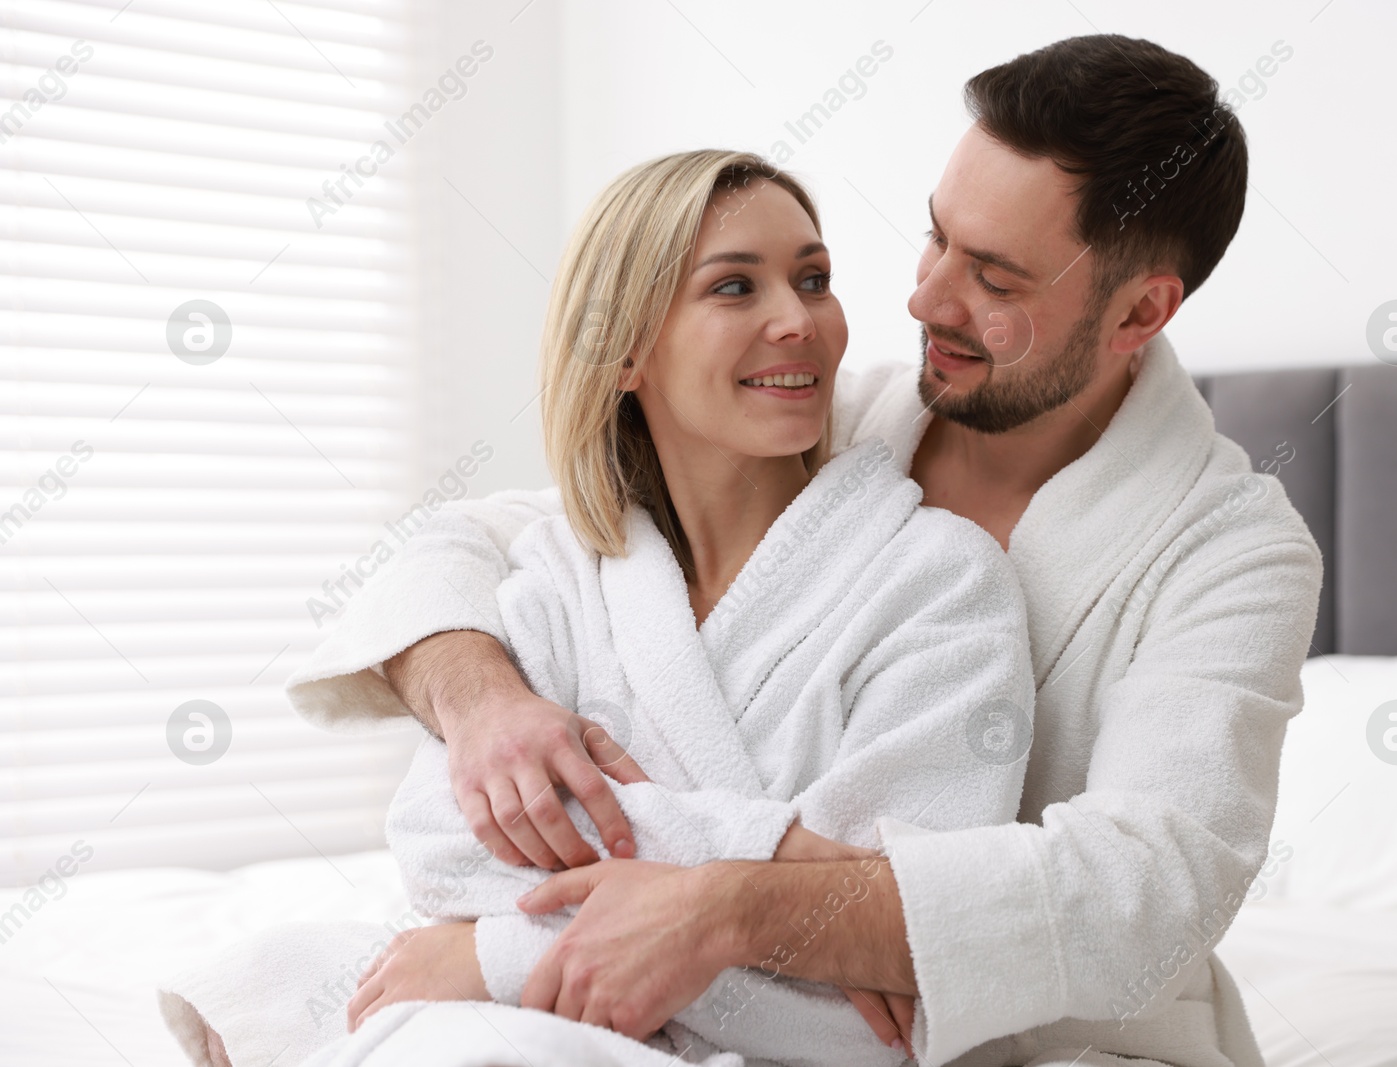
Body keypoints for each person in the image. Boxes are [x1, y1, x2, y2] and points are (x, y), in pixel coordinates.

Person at [295, 34, 1322, 1067]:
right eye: (936, 240)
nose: (925, 299)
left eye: (995, 279)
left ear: (1139, 311)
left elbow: (1148, 890)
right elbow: (487, 539)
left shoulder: (1230, 549)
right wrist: (484, 705)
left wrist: (728, 905)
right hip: (690, 1001)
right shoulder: (838, 418)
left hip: (1068, 1039)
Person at [163, 150, 1036, 1067]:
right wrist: (775, 856)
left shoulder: (940, 584)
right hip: (587, 1026)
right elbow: (438, 847)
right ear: (624, 351)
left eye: (813, 279)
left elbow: (891, 1000)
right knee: (264, 983)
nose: (799, 320)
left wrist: (495, 953)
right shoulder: (563, 575)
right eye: (735, 286)